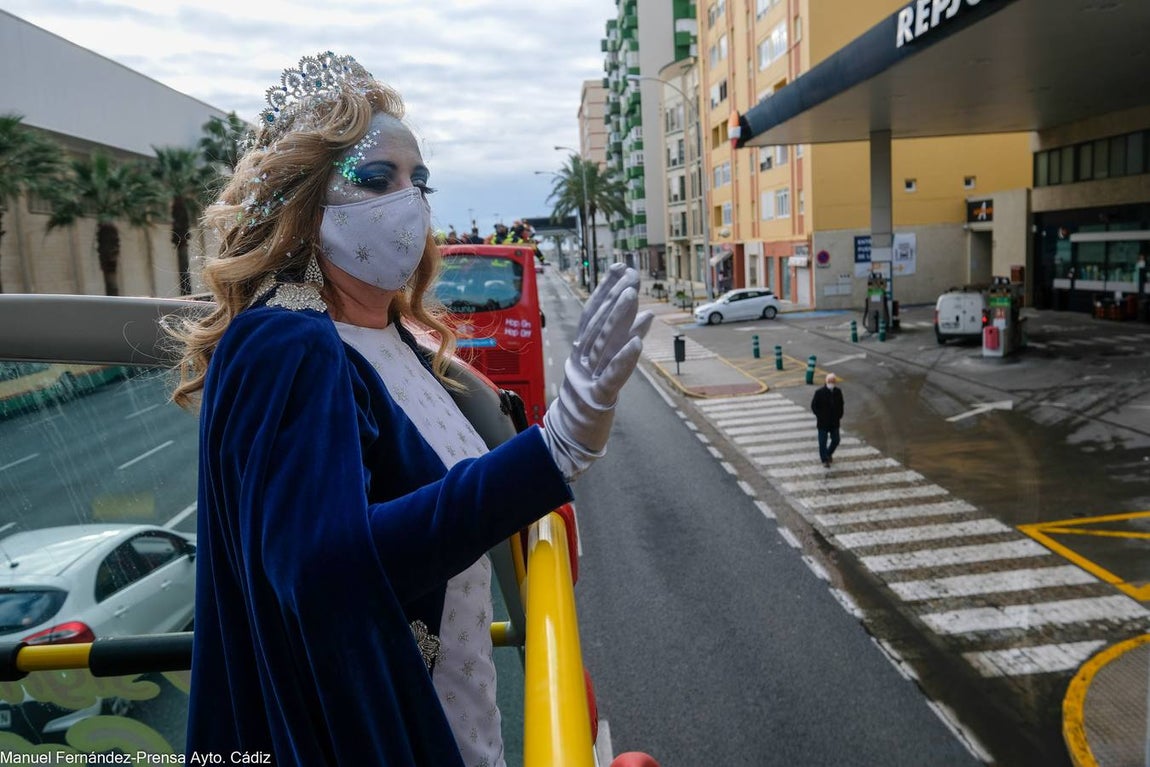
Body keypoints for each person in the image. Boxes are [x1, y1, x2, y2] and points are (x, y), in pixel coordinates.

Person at [168, 51, 652, 767]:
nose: (409, 198)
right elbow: (324, 569)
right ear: (306, 200)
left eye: (418, 180)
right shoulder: (285, 342)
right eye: (376, 177)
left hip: (461, 720)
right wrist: (551, 451)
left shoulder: (394, 337)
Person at [810, 372, 844, 468]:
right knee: (822, 442)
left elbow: (841, 405)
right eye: (829, 381)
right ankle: (824, 459)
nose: (831, 383)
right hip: (823, 422)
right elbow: (814, 406)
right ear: (826, 381)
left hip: (834, 422)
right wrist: (819, 416)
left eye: (833, 381)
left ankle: (828, 453)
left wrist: (839, 415)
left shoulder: (838, 392)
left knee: (836, 440)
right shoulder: (819, 393)